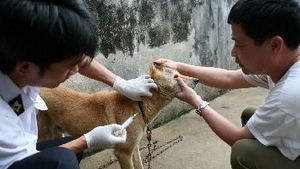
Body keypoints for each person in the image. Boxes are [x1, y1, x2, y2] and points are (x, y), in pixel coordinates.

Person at [0, 0, 157, 169]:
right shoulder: (3, 119)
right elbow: (19, 162)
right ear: (25, 67)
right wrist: (87, 140)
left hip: (22, 148)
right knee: (63, 160)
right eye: (69, 66)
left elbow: (82, 61)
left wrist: (121, 84)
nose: (76, 69)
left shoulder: (21, 63)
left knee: (70, 147)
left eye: (78, 63)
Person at [156, 0, 300, 168]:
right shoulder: (284, 63)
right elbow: (228, 77)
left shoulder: (289, 94)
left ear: (274, 45)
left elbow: (237, 138)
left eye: (238, 44)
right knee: (250, 116)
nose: (233, 53)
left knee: (243, 151)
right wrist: (178, 66)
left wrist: (196, 102)